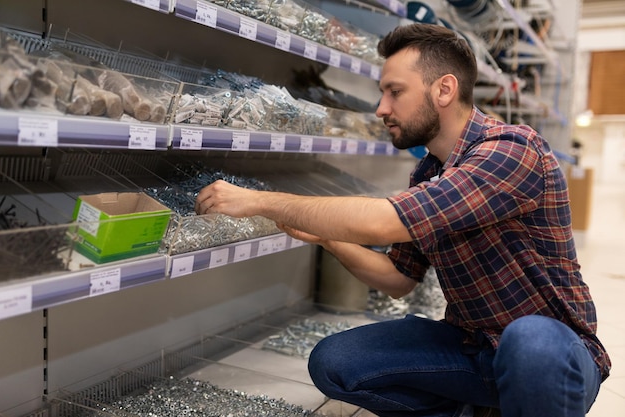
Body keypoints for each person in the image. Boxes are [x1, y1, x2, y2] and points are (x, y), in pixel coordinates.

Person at [195, 23, 610, 417]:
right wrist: (325, 237)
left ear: (444, 89)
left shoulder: (510, 151)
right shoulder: (428, 172)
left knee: (529, 339)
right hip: (473, 347)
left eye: (395, 92)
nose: (381, 108)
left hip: (554, 358)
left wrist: (263, 201)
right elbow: (398, 279)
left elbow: (382, 221)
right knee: (336, 361)